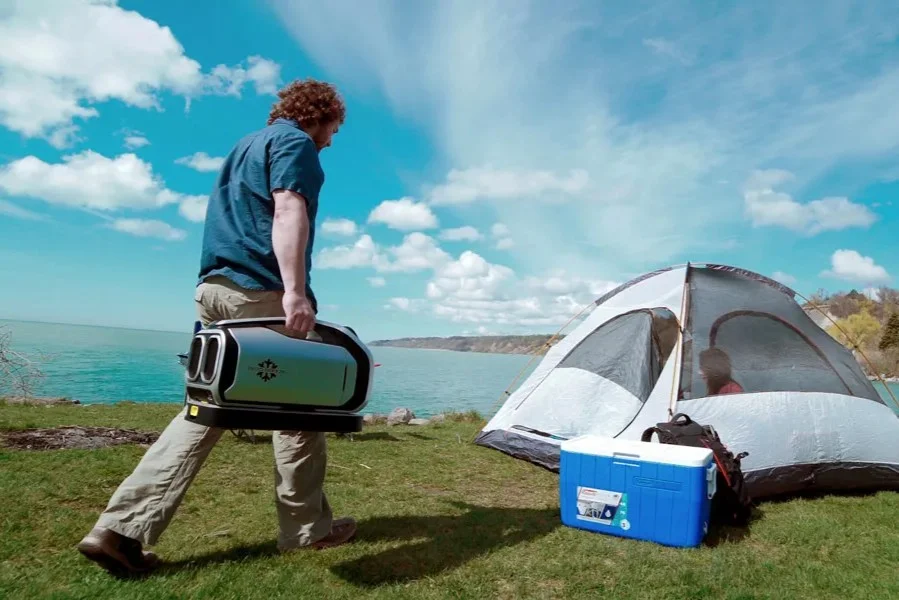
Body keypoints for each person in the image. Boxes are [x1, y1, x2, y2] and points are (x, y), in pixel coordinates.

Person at [76, 78, 356, 576]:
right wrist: (293, 291)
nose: (332, 139)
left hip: (215, 290)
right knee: (303, 410)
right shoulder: (295, 142)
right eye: (334, 127)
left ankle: (118, 530)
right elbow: (289, 208)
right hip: (259, 291)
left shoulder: (244, 146)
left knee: (205, 410)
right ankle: (306, 533)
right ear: (320, 115)